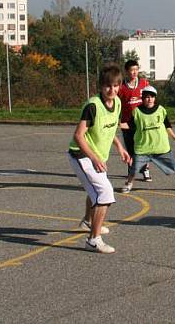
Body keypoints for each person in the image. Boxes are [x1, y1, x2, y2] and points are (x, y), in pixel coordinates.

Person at [67, 63, 132, 254]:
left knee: (94, 190)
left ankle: (88, 221)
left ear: (120, 86)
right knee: (105, 193)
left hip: (95, 156)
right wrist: (94, 158)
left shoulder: (118, 103)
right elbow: (79, 136)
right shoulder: (92, 106)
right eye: (107, 86)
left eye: (115, 86)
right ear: (101, 87)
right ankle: (93, 239)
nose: (111, 90)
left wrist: (120, 147)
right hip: (81, 155)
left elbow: (110, 127)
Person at [120, 85, 175, 193]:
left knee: (174, 165)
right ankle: (129, 184)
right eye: (147, 97)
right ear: (142, 98)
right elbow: (130, 125)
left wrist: (174, 136)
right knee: (134, 168)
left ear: (155, 98)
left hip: (160, 147)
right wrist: (116, 125)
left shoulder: (161, 110)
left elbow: (167, 125)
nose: (149, 99)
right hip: (143, 148)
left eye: (152, 97)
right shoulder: (137, 111)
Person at [119, 59, 152, 182]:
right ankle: (131, 169)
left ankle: (145, 169)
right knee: (131, 148)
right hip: (127, 122)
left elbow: (150, 99)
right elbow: (117, 104)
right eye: (132, 70)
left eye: (136, 69)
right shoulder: (121, 87)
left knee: (144, 147)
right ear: (127, 72)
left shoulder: (144, 83)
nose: (134, 72)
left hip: (142, 122)